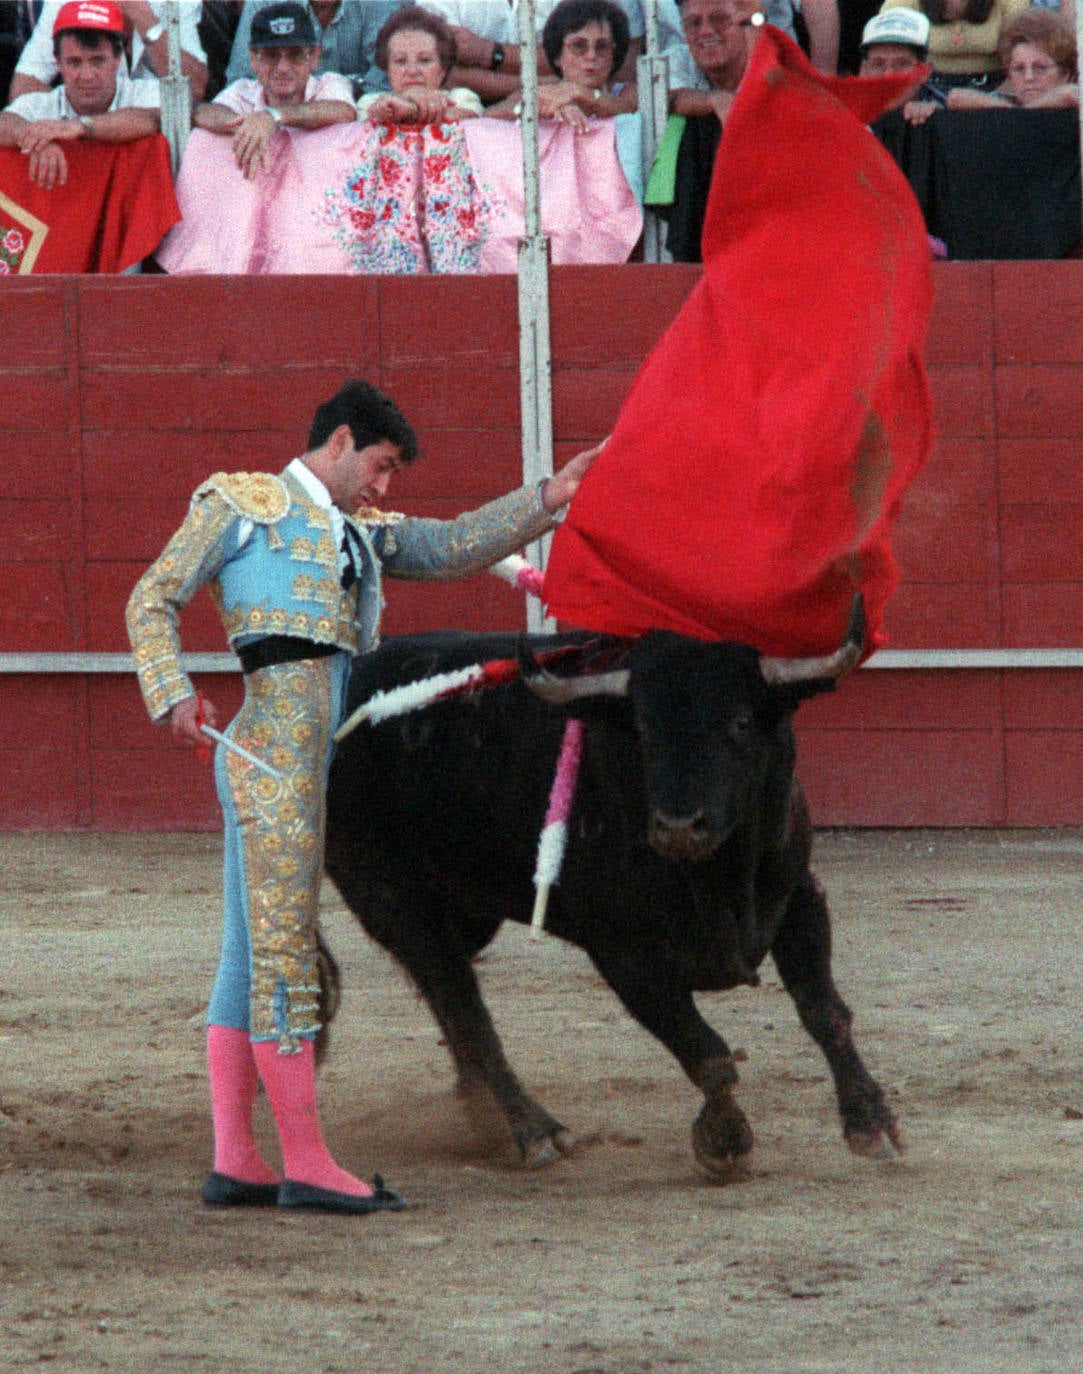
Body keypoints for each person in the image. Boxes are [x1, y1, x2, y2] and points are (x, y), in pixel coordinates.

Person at [126, 378, 599, 1215]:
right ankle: (305, 1163)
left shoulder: (359, 531)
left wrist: (550, 497)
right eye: (379, 467)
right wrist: (171, 693)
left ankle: (237, 1157)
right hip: (273, 757)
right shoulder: (245, 503)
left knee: (249, 958)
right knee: (281, 960)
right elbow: (152, 595)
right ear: (339, 442)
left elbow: (452, 545)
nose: (384, 488)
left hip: (310, 761)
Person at [0, 0, 161, 190]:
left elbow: (155, 119)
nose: (87, 75)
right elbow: (5, 121)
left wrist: (80, 127)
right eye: (75, 63)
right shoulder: (41, 103)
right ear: (58, 62)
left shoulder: (144, 92)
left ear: (117, 59)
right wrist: (35, 140)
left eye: (97, 61)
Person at [191, 0, 356, 180]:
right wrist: (247, 126)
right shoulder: (244, 90)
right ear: (253, 59)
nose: (283, 67)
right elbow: (201, 112)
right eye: (271, 55)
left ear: (314, 57)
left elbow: (343, 111)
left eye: (295, 55)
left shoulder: (329, 84)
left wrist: (272, 117)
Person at [424, 0, 645, 105]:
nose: (590, 56)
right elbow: (444, 75)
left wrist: (487, 53)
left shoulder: (624, 94)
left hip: (580, 105)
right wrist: (550, 86)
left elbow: (611, 61)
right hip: (468, 109)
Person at [9, 0, 208, 102]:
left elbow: (194, 90)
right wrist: (92, 122)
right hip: (88, 137)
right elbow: (23, 89)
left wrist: (143, 16)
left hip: (157, 133)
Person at [486, 0, 638, 127]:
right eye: (578, 46)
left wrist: (579, 93)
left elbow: (628, 108)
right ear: (558, 55)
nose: (591, 55)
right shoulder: (542, 93)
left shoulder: (628, 93)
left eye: (602, 46)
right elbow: (487, 118)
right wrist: (538, 108)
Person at [225, 0, 401, 95]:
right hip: (276, 123)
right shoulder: (263, 3)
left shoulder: (380, 4)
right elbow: (240, 82)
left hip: (357, 125)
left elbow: (383, 86)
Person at [357, 4, 483, 123]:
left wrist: (411, 108)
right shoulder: (371, 102)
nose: (412, 71)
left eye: (424, 60)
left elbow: (470, 122)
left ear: (443, 68)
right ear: (387, 69)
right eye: (401, 61)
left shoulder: (460, 98)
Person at [877, 0, 1028, 89]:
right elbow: (884, 38)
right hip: (927, 90)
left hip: (997, 85)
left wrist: (1006, 92)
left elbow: (1023, 43)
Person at [945, 6, 1078, 106]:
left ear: (1065, 73)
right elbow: (955, 97)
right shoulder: (1002, 103)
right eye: (1019, 69)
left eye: (1040, 68)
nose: (1029, 77)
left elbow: (1072, 93)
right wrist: (1016, 113)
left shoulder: (1076, 108)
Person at [857, 8, 944, 124]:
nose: (888, 75)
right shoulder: (844, 112)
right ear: (864, 70)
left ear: (925, 71)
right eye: (878, 64)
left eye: (902, 64)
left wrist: (939, 118)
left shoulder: (942, 106)